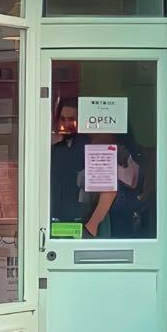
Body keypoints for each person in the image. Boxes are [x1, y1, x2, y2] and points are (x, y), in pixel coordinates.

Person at [48, 97, 115, 238]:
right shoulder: (55, 149)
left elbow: (108, 191)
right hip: (57, 226)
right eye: (62, 119)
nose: (66, 124)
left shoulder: (93, 147)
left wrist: (92, 226)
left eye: (71, 119)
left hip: (85, 226)